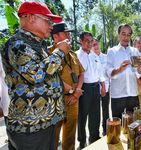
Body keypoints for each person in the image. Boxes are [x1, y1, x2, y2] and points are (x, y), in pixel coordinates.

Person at [0, 1, 71, 150]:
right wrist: (60, 52)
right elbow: (36, 75)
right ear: (31, 18)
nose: (51, 26)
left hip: (45, 124)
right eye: (48, 20)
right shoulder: (17, 44)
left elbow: (49, 76)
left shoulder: (37, 44)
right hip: (30, 128)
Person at [49, 22, 84, 150]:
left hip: (74, 99)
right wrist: (71, 91)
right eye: (66, 33)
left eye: (69, 33)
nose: (69, 36)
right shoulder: (48, 53)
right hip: (56, 100)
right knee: (53, 135)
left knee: (70, 133)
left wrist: (77, 91)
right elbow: (51, 76)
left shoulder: (73, 54)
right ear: (55, 36)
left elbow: (82, 73)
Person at [76, 32, 106, 149]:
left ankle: (94, 137)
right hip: (84, 88)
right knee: (82, 116)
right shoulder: (77, 55)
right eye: (86, 41)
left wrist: (103, 86)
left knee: (96, 114)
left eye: (91, 41)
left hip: (95, 87)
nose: (89, 43)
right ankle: (82, 141)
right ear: (81, 41)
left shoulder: (94, 55)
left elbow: (100, 73)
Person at [106, 24, 141, 119]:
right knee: (118, 123)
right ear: (118, 34)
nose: (126, 37)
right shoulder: (112, 51)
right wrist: (119, 70)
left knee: (135, 123)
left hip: (133, 93)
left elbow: (139, 73)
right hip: (118, 94)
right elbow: (108, 72)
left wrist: (140, 68)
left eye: (129, 34)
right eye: (123, 34)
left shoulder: (135, 51)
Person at [91, 38, 110, 135]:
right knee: (96, 111)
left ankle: (106, 130)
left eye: (97, 44)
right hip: (94, 89)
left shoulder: (106, 57)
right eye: (93, 45)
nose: (96, 46)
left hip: (106, 87)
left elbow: (110, 72)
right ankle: (95, 132)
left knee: (105, 109)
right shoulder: (90, 58)